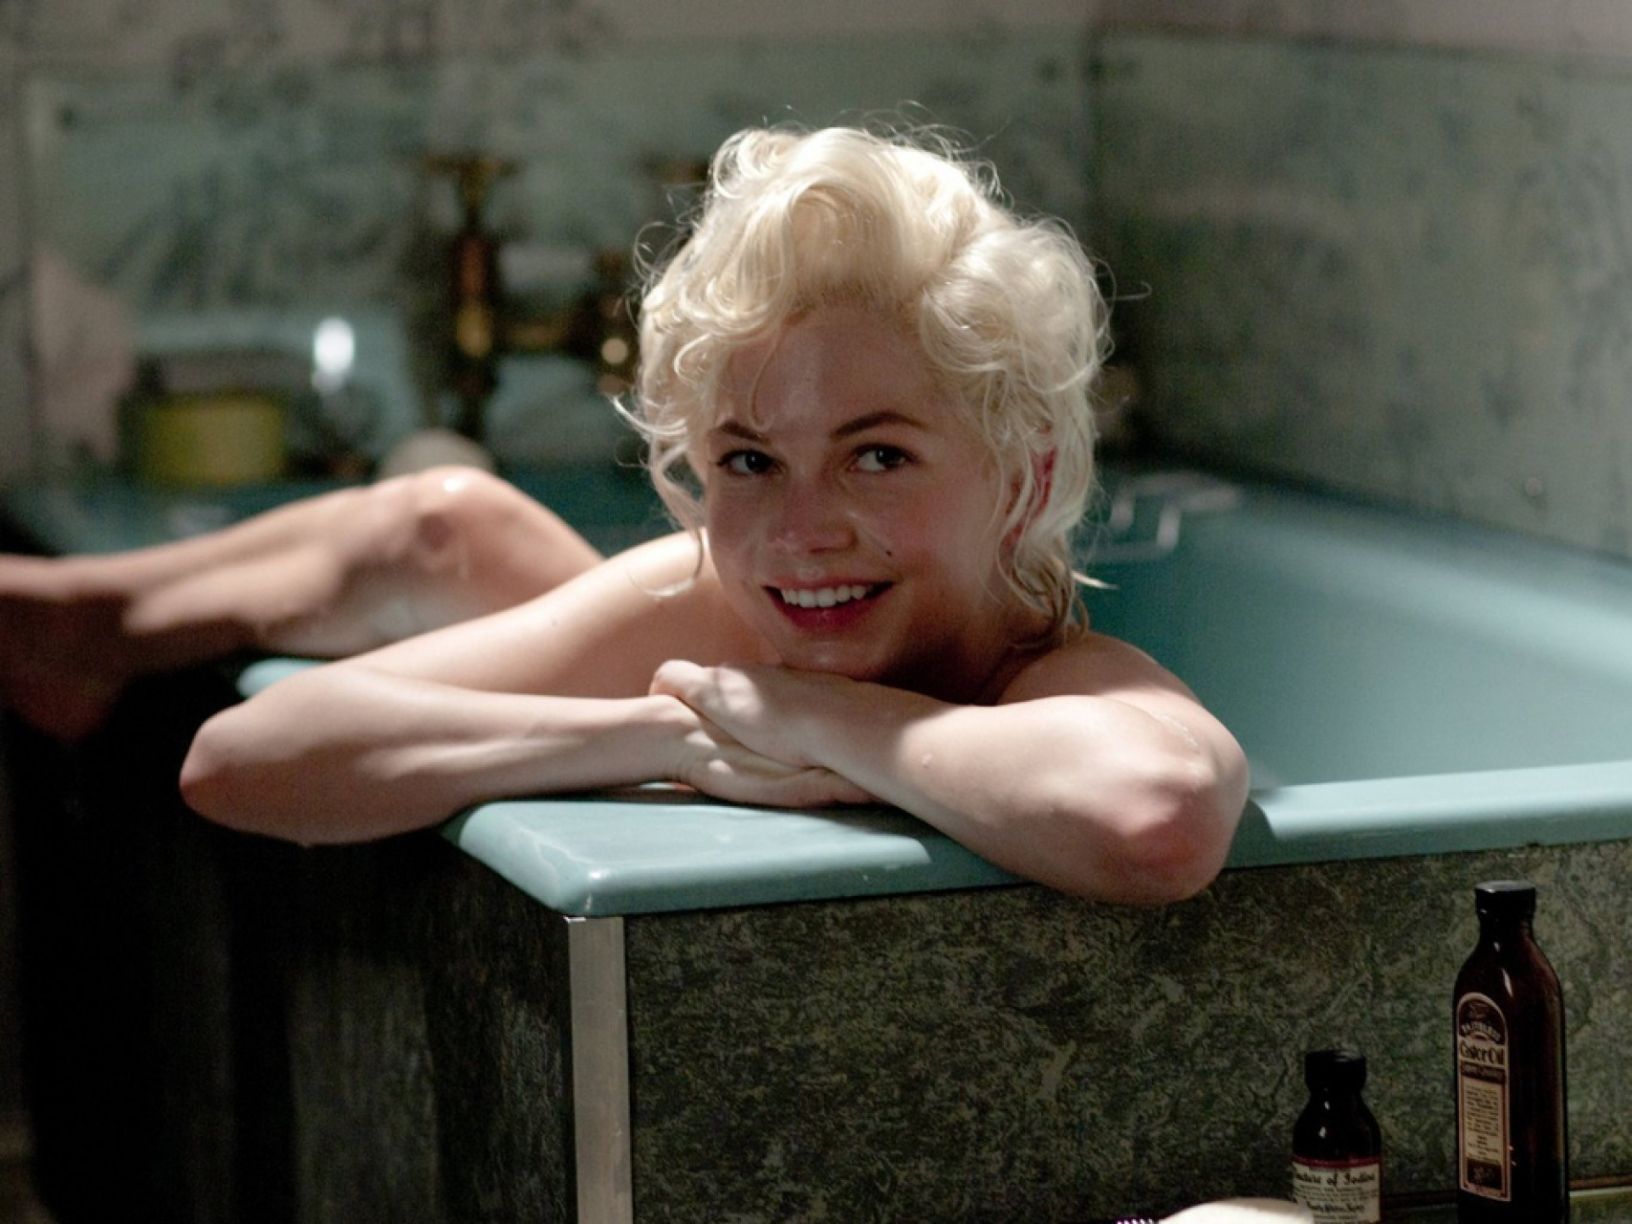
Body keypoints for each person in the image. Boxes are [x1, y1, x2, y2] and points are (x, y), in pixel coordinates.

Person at [0, 125, 1248, 902]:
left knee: (450, 529)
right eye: (748, 460)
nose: (802, 528)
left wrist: (809, 715)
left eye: (876, 457)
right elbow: (238, 761)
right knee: (449, 525)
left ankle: (69, 626)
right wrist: (659, 738)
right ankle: (72, 624)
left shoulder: (1046, 674)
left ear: (1024, 477)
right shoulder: (715, 615)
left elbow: (1157, 818)